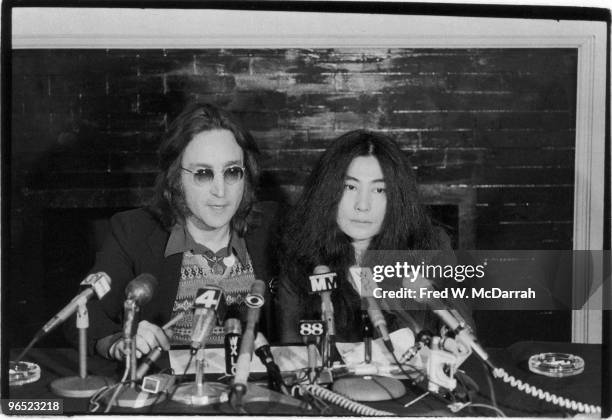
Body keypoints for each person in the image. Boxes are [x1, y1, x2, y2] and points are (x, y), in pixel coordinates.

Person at [65, 103, 279, 361]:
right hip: (172, 392)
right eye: (203, 174)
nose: (221, 191)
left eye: (232, 172)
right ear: (175, 178)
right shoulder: (134, 231)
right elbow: (83, 313)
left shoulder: (273, 229)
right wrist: (118, 341)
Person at [277, 129, 473, 344]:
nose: (363, 205)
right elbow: (293, 351)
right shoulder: (302, 257)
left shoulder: (430, 246)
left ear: (397, 197)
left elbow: (464, 331)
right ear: (328, 191)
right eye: (350, 187)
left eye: (379, 190)